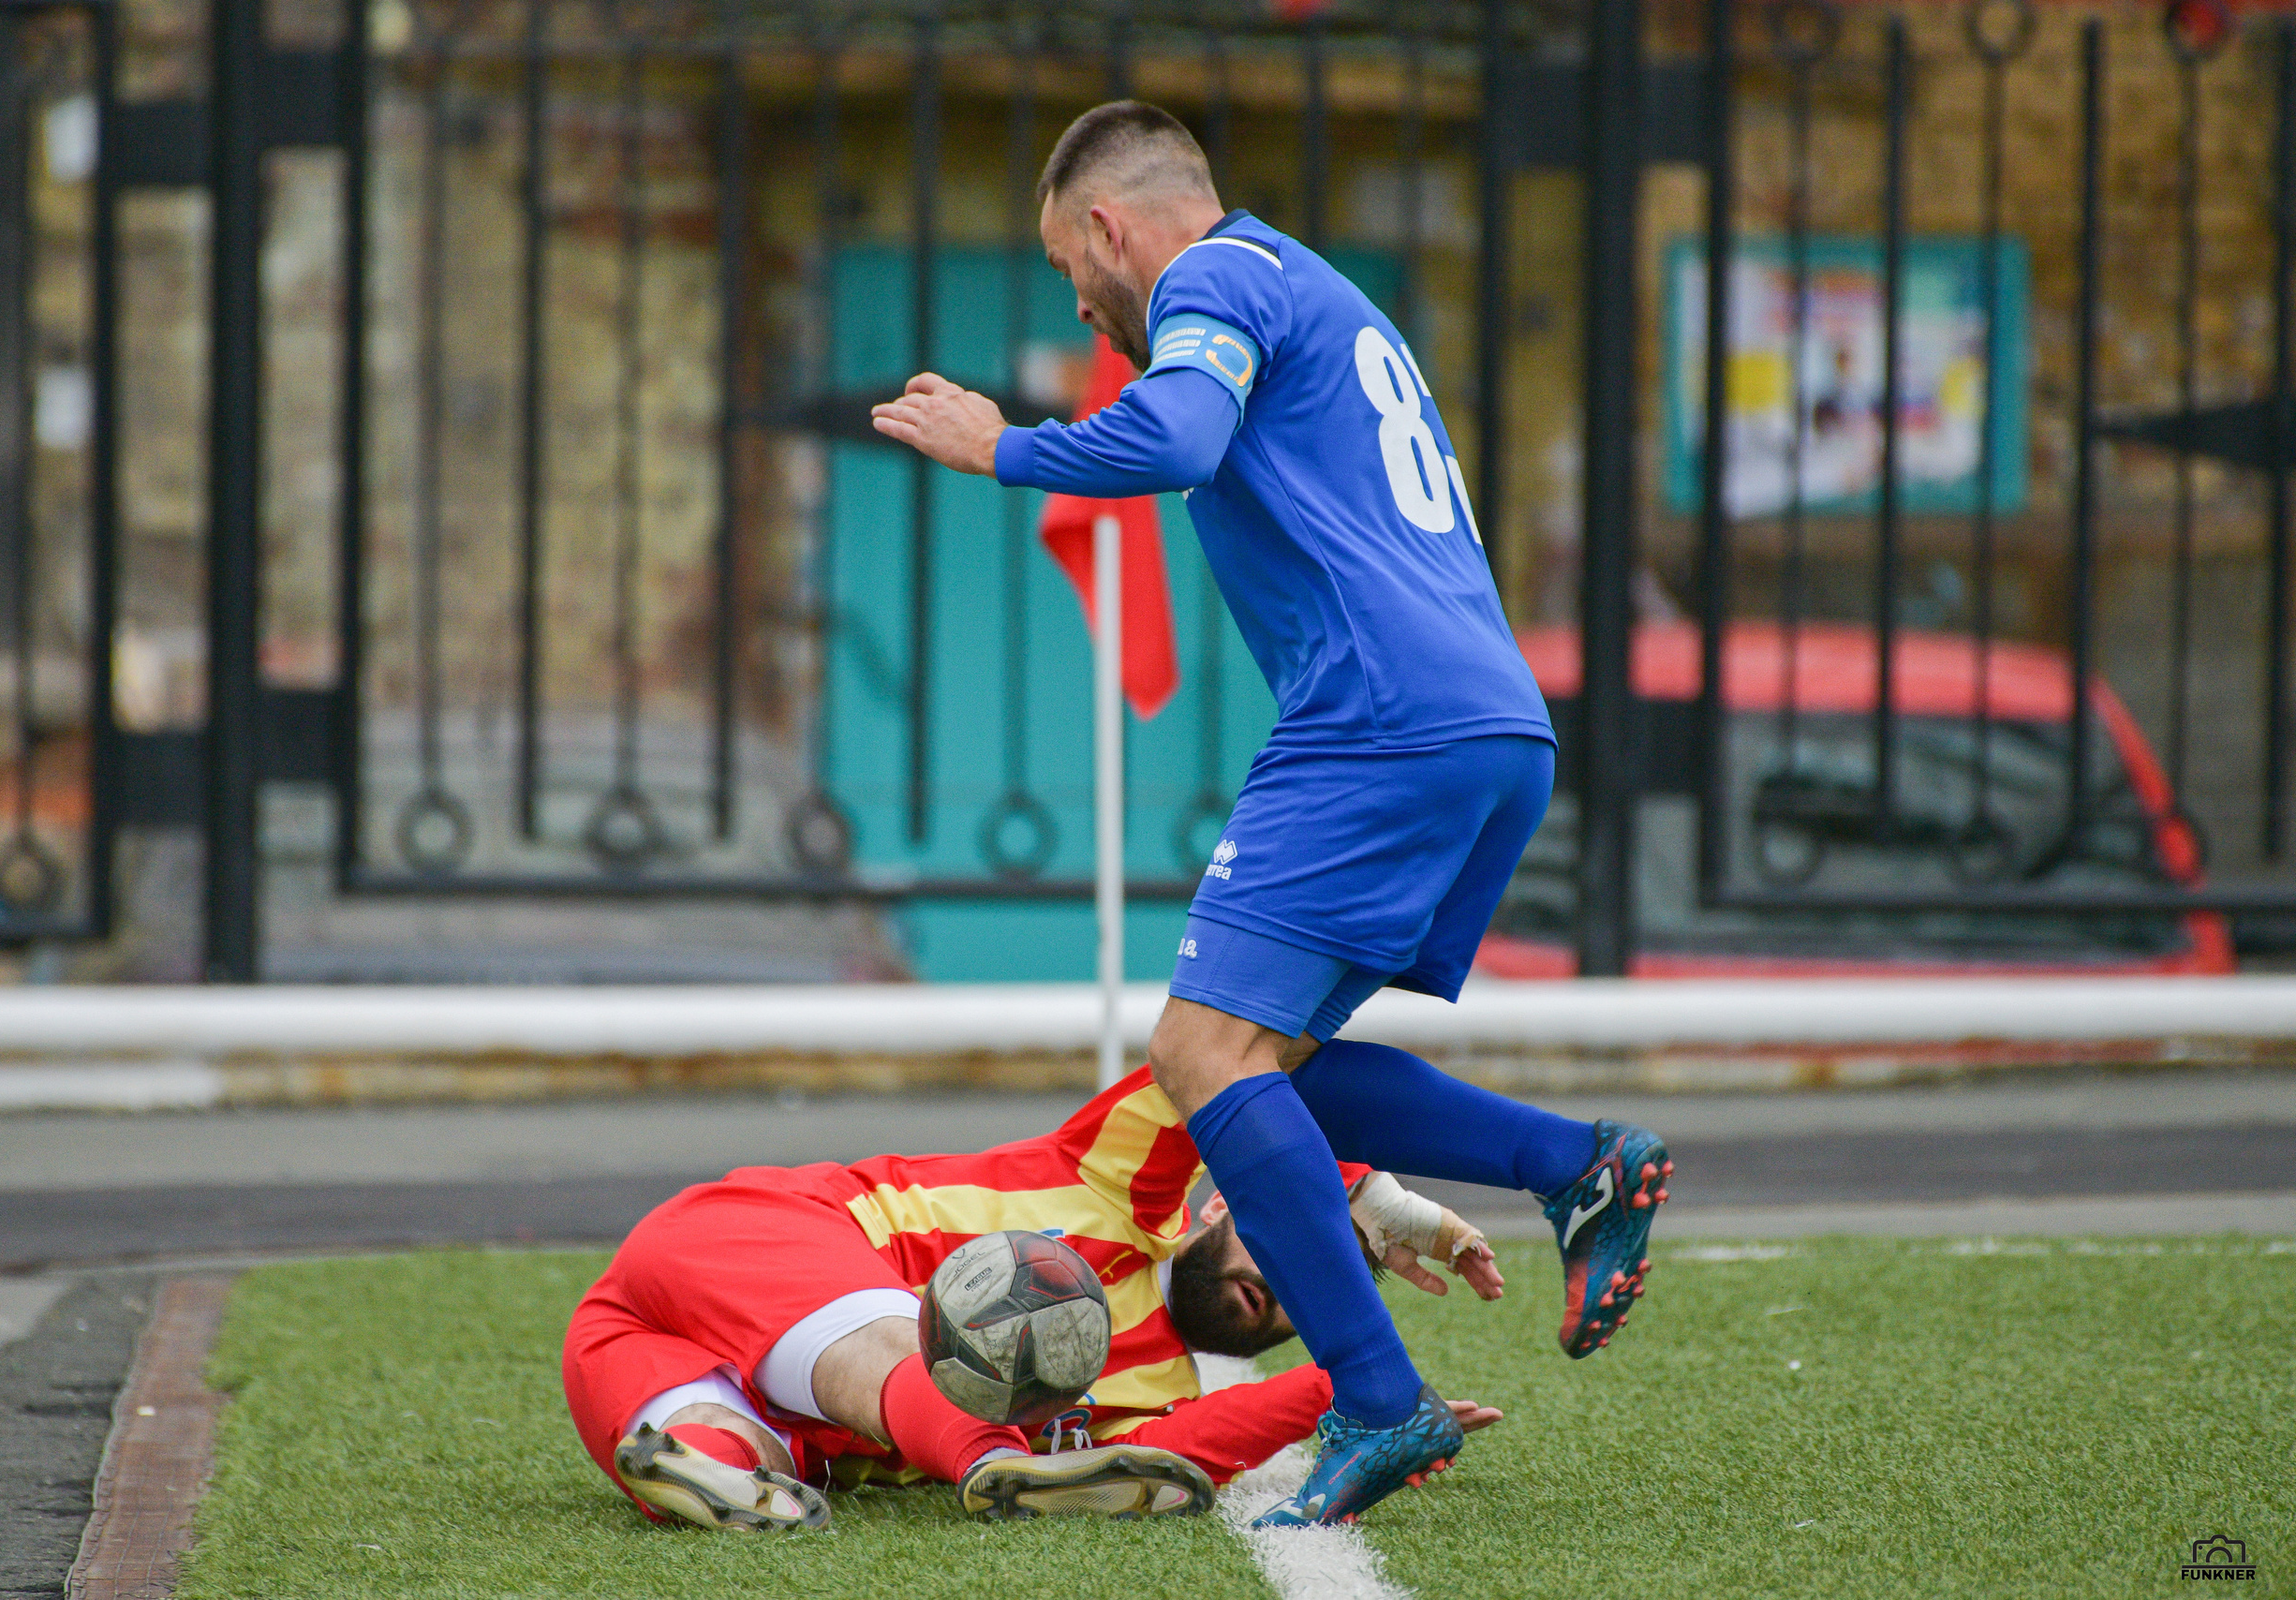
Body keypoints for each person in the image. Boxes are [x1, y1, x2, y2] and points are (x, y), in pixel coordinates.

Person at [870, 100, 1673, 1527]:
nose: (1082, 301)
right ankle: (1576, 1164)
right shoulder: (1321, 290)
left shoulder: (1216, 278)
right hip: (1487, 725)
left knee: (1196, 1048)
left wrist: (1004, 447)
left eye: (1074, 268)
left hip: (1377, 722)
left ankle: (1380, 1397)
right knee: (1265, 1071)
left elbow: (1175, 435)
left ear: (1115, 229)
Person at [560, 1065, 1504, 1532]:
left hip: (676, 1351)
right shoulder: (1115, 1178)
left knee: (726, 1445)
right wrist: (1369, 1193)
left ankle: (705, 1463)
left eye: (1317, 1294)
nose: (1289, 1289)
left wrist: (1349, 1392)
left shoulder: (1155, 1389)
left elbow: (1166, 1457)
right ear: (1229, 1197)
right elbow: (1224, 1069)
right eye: (1296, 1245)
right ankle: (981, 1457)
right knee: (898, 1342)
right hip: (758, 1233)